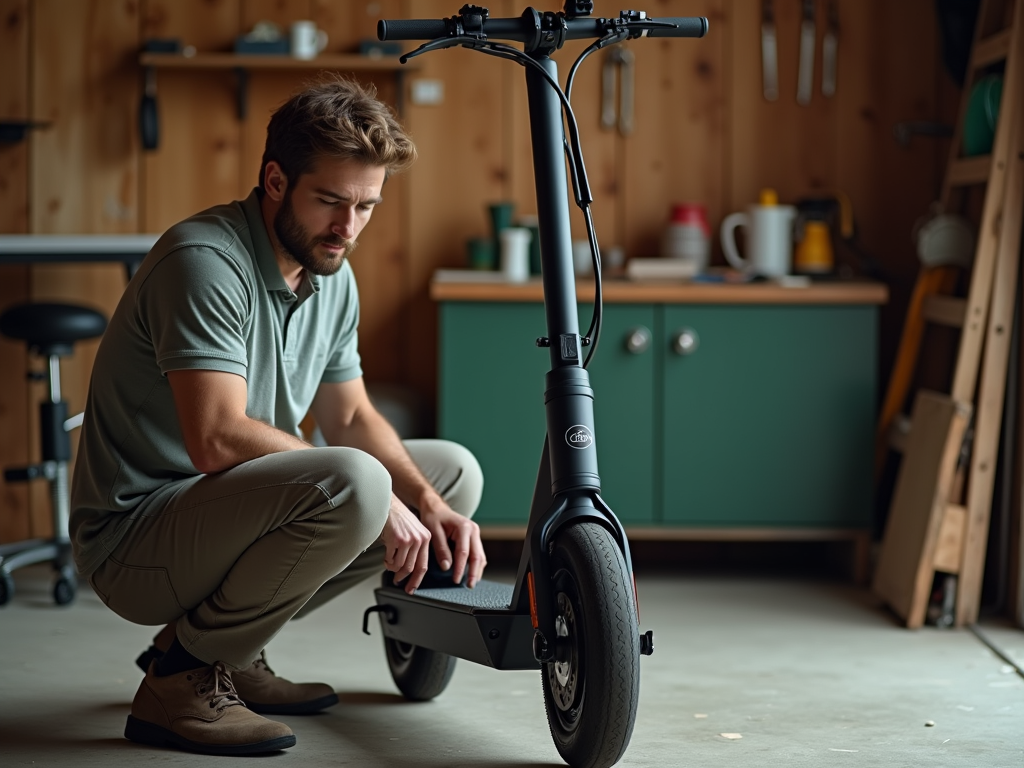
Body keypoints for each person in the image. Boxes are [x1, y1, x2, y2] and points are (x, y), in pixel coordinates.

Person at [69, 76, 487, 756]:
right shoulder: (205, 261)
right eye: (330, 201)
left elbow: (349, 415)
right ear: (274, 179)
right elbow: (215, 437)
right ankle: (180, 680)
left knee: (451, 475)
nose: (347, 228)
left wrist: (424, 500)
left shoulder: (331, 275)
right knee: (360, 484)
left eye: (366, 207)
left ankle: (229, 650)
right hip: (135, 538)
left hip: (216, 515)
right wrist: (375, 497)